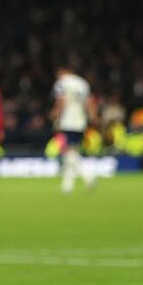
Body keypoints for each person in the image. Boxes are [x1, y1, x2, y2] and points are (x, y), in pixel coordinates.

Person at [51, 65, 97, 193]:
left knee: (69, 153)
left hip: (68, 121)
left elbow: (61, 101)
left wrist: (56, 116)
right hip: (80, 121)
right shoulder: (82, 83)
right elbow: (90, 102)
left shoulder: (62, 83)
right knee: (72, 151)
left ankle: (89, 177)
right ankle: (67, 185)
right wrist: (92, 117)